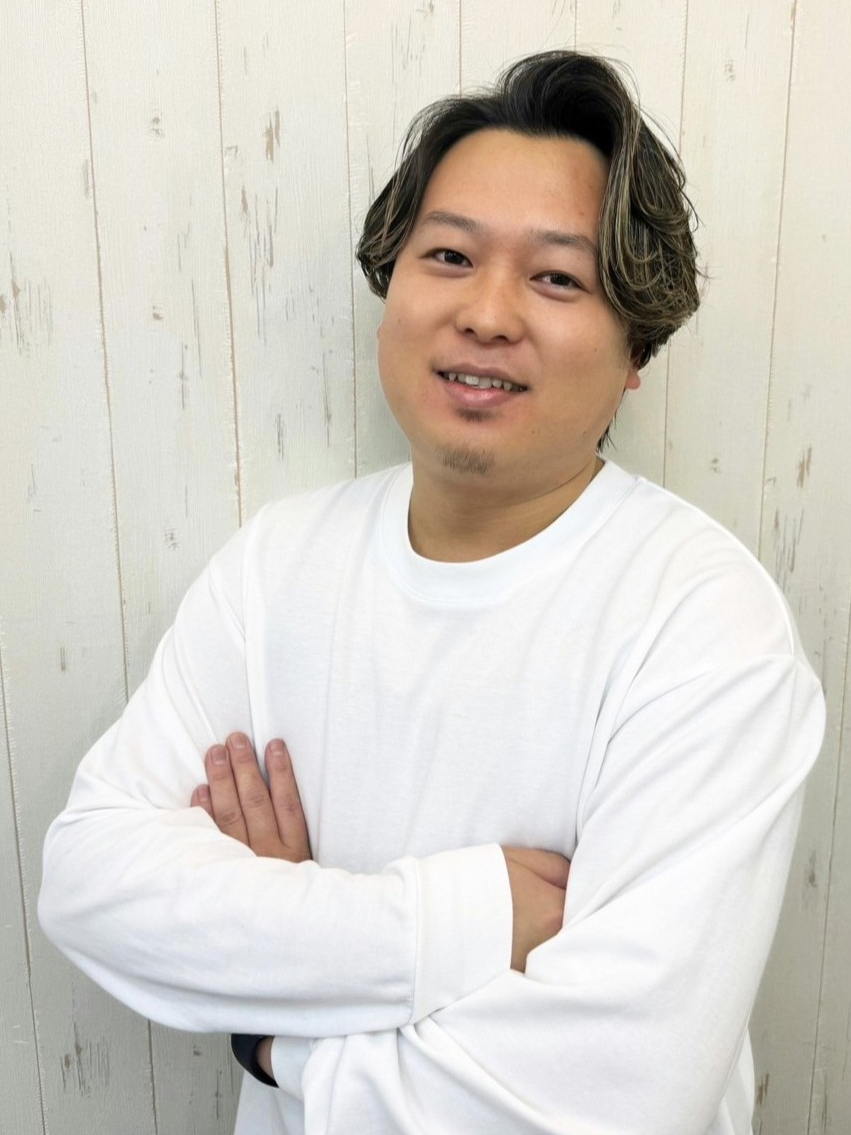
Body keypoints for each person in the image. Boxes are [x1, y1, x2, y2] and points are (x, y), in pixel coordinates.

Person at [39, 50, 824, 1135]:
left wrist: (273, 1027)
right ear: (391, 286)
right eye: (448, 255)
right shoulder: (276, 567)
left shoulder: (702, 624)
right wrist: (464, 919)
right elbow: (91, 882)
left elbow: (612, 1098)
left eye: (556, 278)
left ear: (635, 344)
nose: (486, 314)